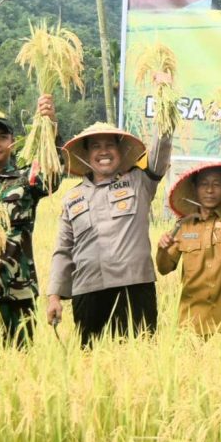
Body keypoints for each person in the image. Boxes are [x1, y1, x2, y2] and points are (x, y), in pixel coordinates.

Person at [47, 122, 173, 347]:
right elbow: (63, 250)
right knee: (91, 365)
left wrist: (164, 105)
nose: (103, 151)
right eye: (95, 146)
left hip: (134, 287)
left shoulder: (139, 182)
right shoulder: (72, 198)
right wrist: (54, 297)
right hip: (88, 292)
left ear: (121, 151)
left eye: (109, 145)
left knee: (140, 362)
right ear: (86, 154)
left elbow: (160, 152)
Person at [0, 96, 60, 345]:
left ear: (11, 142)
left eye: (2, 137)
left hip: (17, 295)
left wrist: (50, 125)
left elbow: (52, 173)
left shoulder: (24, 181)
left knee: (17, 371)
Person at [155, 146, 221, 336]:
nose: (210, 190)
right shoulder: (184, 226)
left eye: (217, 184)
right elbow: (164, 268)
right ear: (195, 189)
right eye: (204, 184)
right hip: (190, 325)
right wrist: (161, 250)